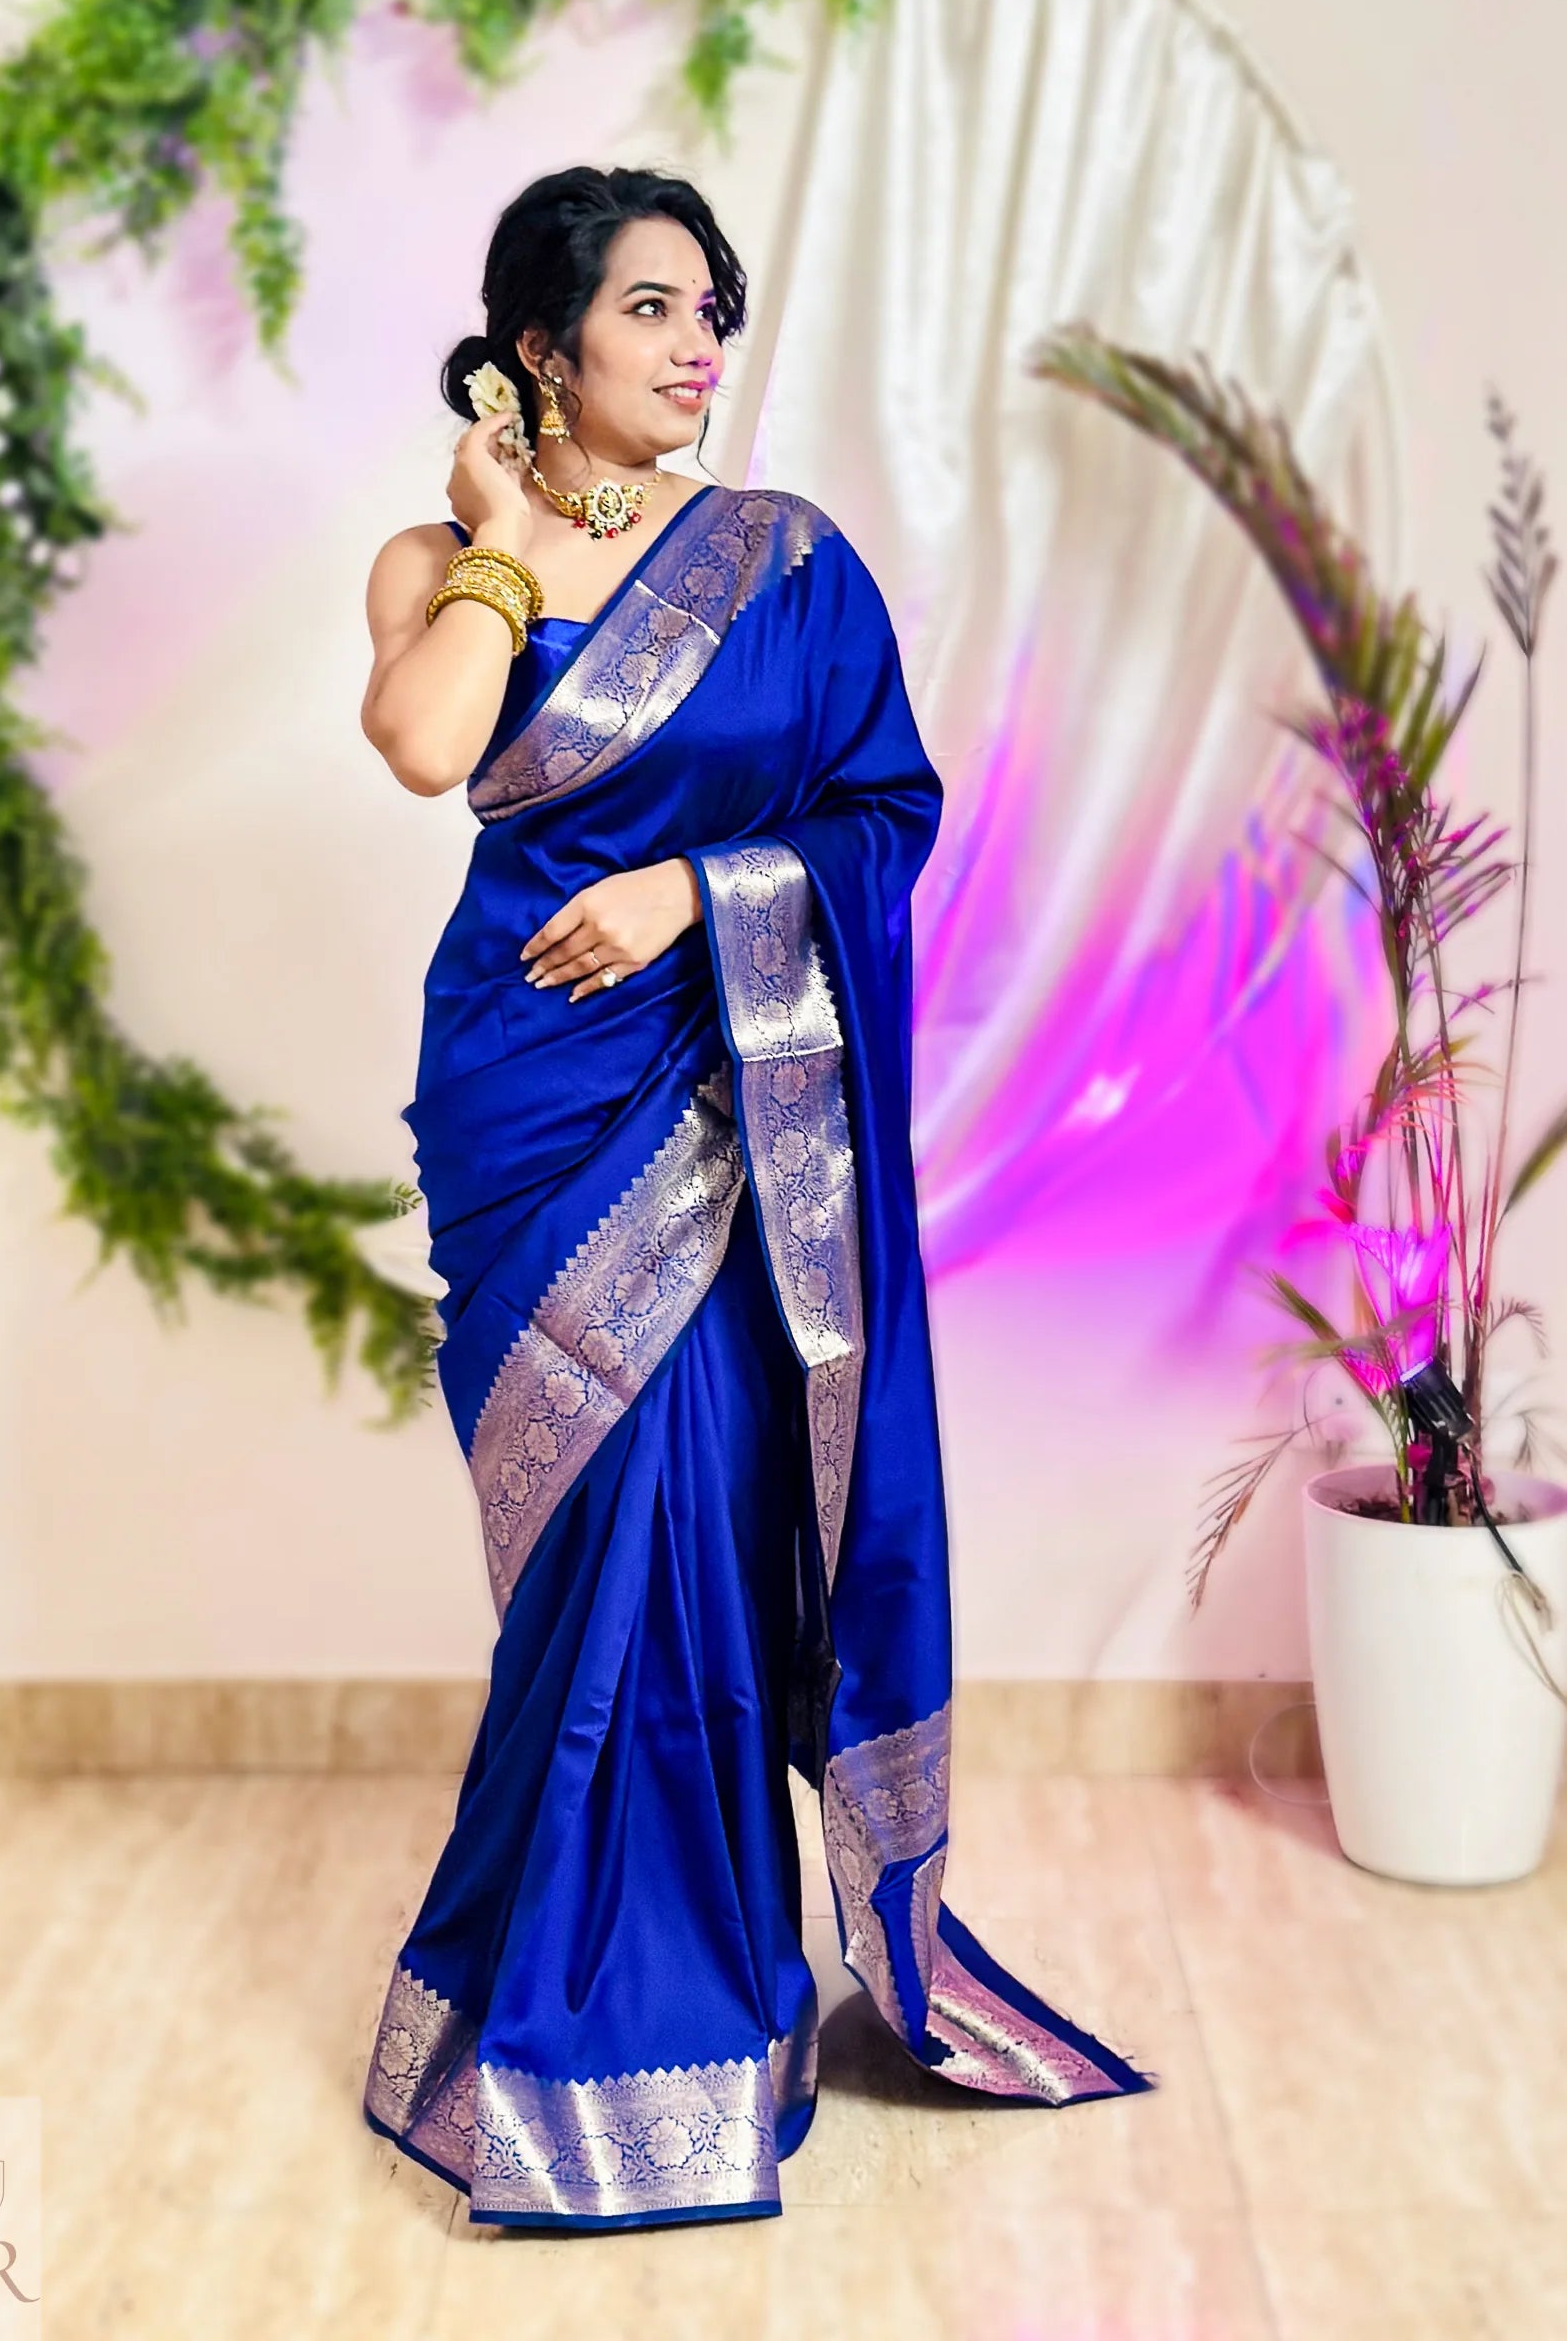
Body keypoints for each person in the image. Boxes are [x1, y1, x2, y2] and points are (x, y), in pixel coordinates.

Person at [357, 165, 1155, 2231]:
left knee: (691, 1530)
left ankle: (684, 2010)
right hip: (528, 1100)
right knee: (577, 1563)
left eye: (709, 306)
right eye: (648, 307)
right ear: (541, 346)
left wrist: (689, 896)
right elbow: (425, 744)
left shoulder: (787, 565)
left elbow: (885, 811)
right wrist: (505, 538)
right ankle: (539, 2002)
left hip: (724, 1108)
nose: (698, 342)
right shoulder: (437, 558)